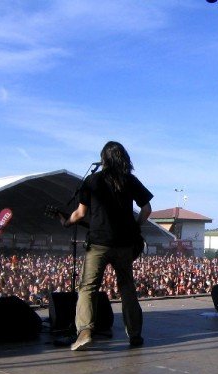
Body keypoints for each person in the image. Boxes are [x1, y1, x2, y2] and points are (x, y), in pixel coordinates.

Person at [60, 141, 153, 350]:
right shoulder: (130, 180)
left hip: (99, 243)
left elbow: (80, 213)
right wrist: (135, 226)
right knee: (127, 287)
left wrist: (66, 222)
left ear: (104, 159)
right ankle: (135, 334)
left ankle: (85, 332)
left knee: (88, 287)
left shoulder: (93, 180)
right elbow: (146, 209)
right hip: (124, 244)